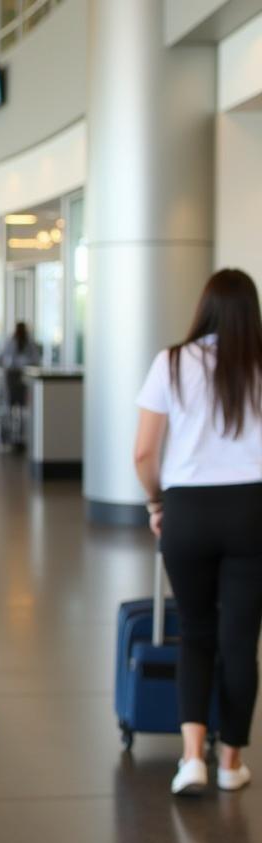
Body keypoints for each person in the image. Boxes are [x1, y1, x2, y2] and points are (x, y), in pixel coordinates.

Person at [134, 268, 262, 797]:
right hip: (252, 508)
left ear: (204, 308)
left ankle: (191, 760)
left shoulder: (172, 362)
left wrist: (157, 502)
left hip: (186, 510)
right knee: (240, 640)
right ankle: (230, 761)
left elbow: (143, 453)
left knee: (195, 632)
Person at [0, 321, 40, 445]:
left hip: (11, 376)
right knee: (22, 406)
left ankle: (11, 433)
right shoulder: (30, 343)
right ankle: (21, 433)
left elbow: (1, 358)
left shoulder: (10, 342)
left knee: (10, 405)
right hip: (23, 377)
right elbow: (36, 360)